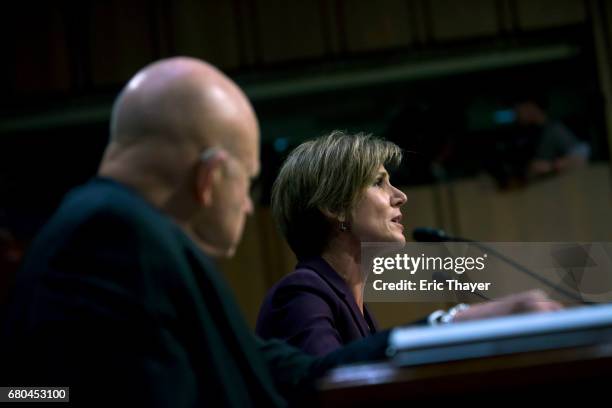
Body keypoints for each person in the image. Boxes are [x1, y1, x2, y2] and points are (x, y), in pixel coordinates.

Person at [0, 58, 391, 407]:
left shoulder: (110, 229)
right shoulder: (116, 237)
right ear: (211, 177)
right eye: (248, 182)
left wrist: (426, 337)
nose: (247, 205)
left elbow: (282, 369)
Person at [256, 131, 563, 356]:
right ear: (334, 208)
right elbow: (329, 383)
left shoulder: (353, 304)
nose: (400, 196)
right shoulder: (301, 294)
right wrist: (454, 321)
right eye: (378, 182)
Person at [514, 99, 590, 177]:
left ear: (530, 106)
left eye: (519, 111)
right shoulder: (529, 133)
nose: (517, 115)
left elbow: (581, 155)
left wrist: (551, 166)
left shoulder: (553, 129)